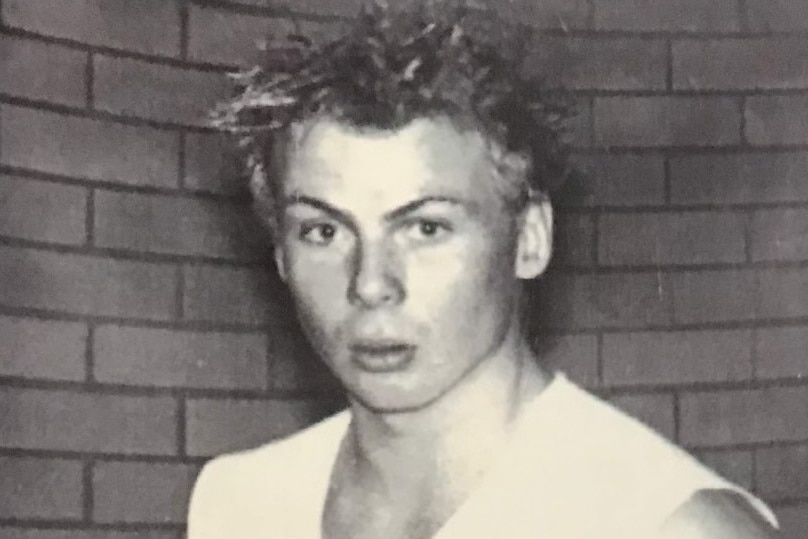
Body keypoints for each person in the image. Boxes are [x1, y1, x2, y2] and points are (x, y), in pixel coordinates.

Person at [187, 2, 780, 538]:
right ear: (280, 256)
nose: (369, 283)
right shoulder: (239, 502)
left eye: (425, 228)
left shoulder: (668, 525)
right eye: (324, 231)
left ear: (529, 238)